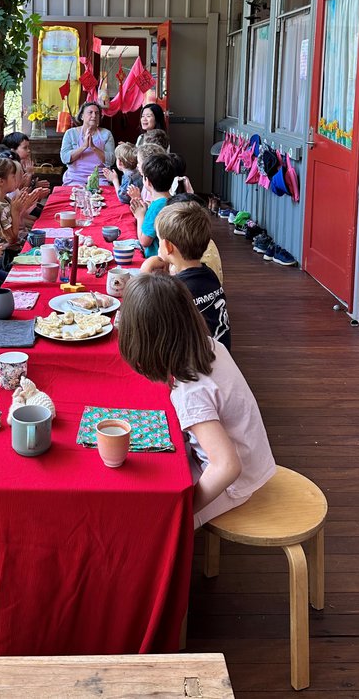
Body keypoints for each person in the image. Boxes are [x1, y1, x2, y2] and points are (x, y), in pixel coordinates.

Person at [117, 274, 275, 528]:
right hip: (250, 463)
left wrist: (186, 508)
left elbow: (226, 466)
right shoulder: (210, 346)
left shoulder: (191, 392)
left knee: (150, 522)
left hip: (235, 484)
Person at [154, 202, 231, 351]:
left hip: (196, 366)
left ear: (168, 246)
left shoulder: (176, 289)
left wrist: (145, 272)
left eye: (159, 240)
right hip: (221, 355)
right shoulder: (209, 274)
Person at [0, 157, 40, 265]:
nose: (16, 179)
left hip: (8, 251)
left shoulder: (4, 199)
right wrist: (15, 212)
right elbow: (12, 239)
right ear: (1, 181)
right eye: (13, 176)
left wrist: (25, 204)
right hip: (3, 257)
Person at [130, 150, 188, 258]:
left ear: (147, 181)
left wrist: (140, 216)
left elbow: (144, 241)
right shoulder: (172, 200)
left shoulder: (157, 207)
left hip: (158, 261)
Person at [59, 101, 115, 186]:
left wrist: (93, 147)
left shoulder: (106, 134)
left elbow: (111, 161)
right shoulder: (70, 133)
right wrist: (83, 147)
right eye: (90, 112)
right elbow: (65, 158)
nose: (94, 116)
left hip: (100, 178)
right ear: (82, 116)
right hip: (75, 178)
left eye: (97, 113)